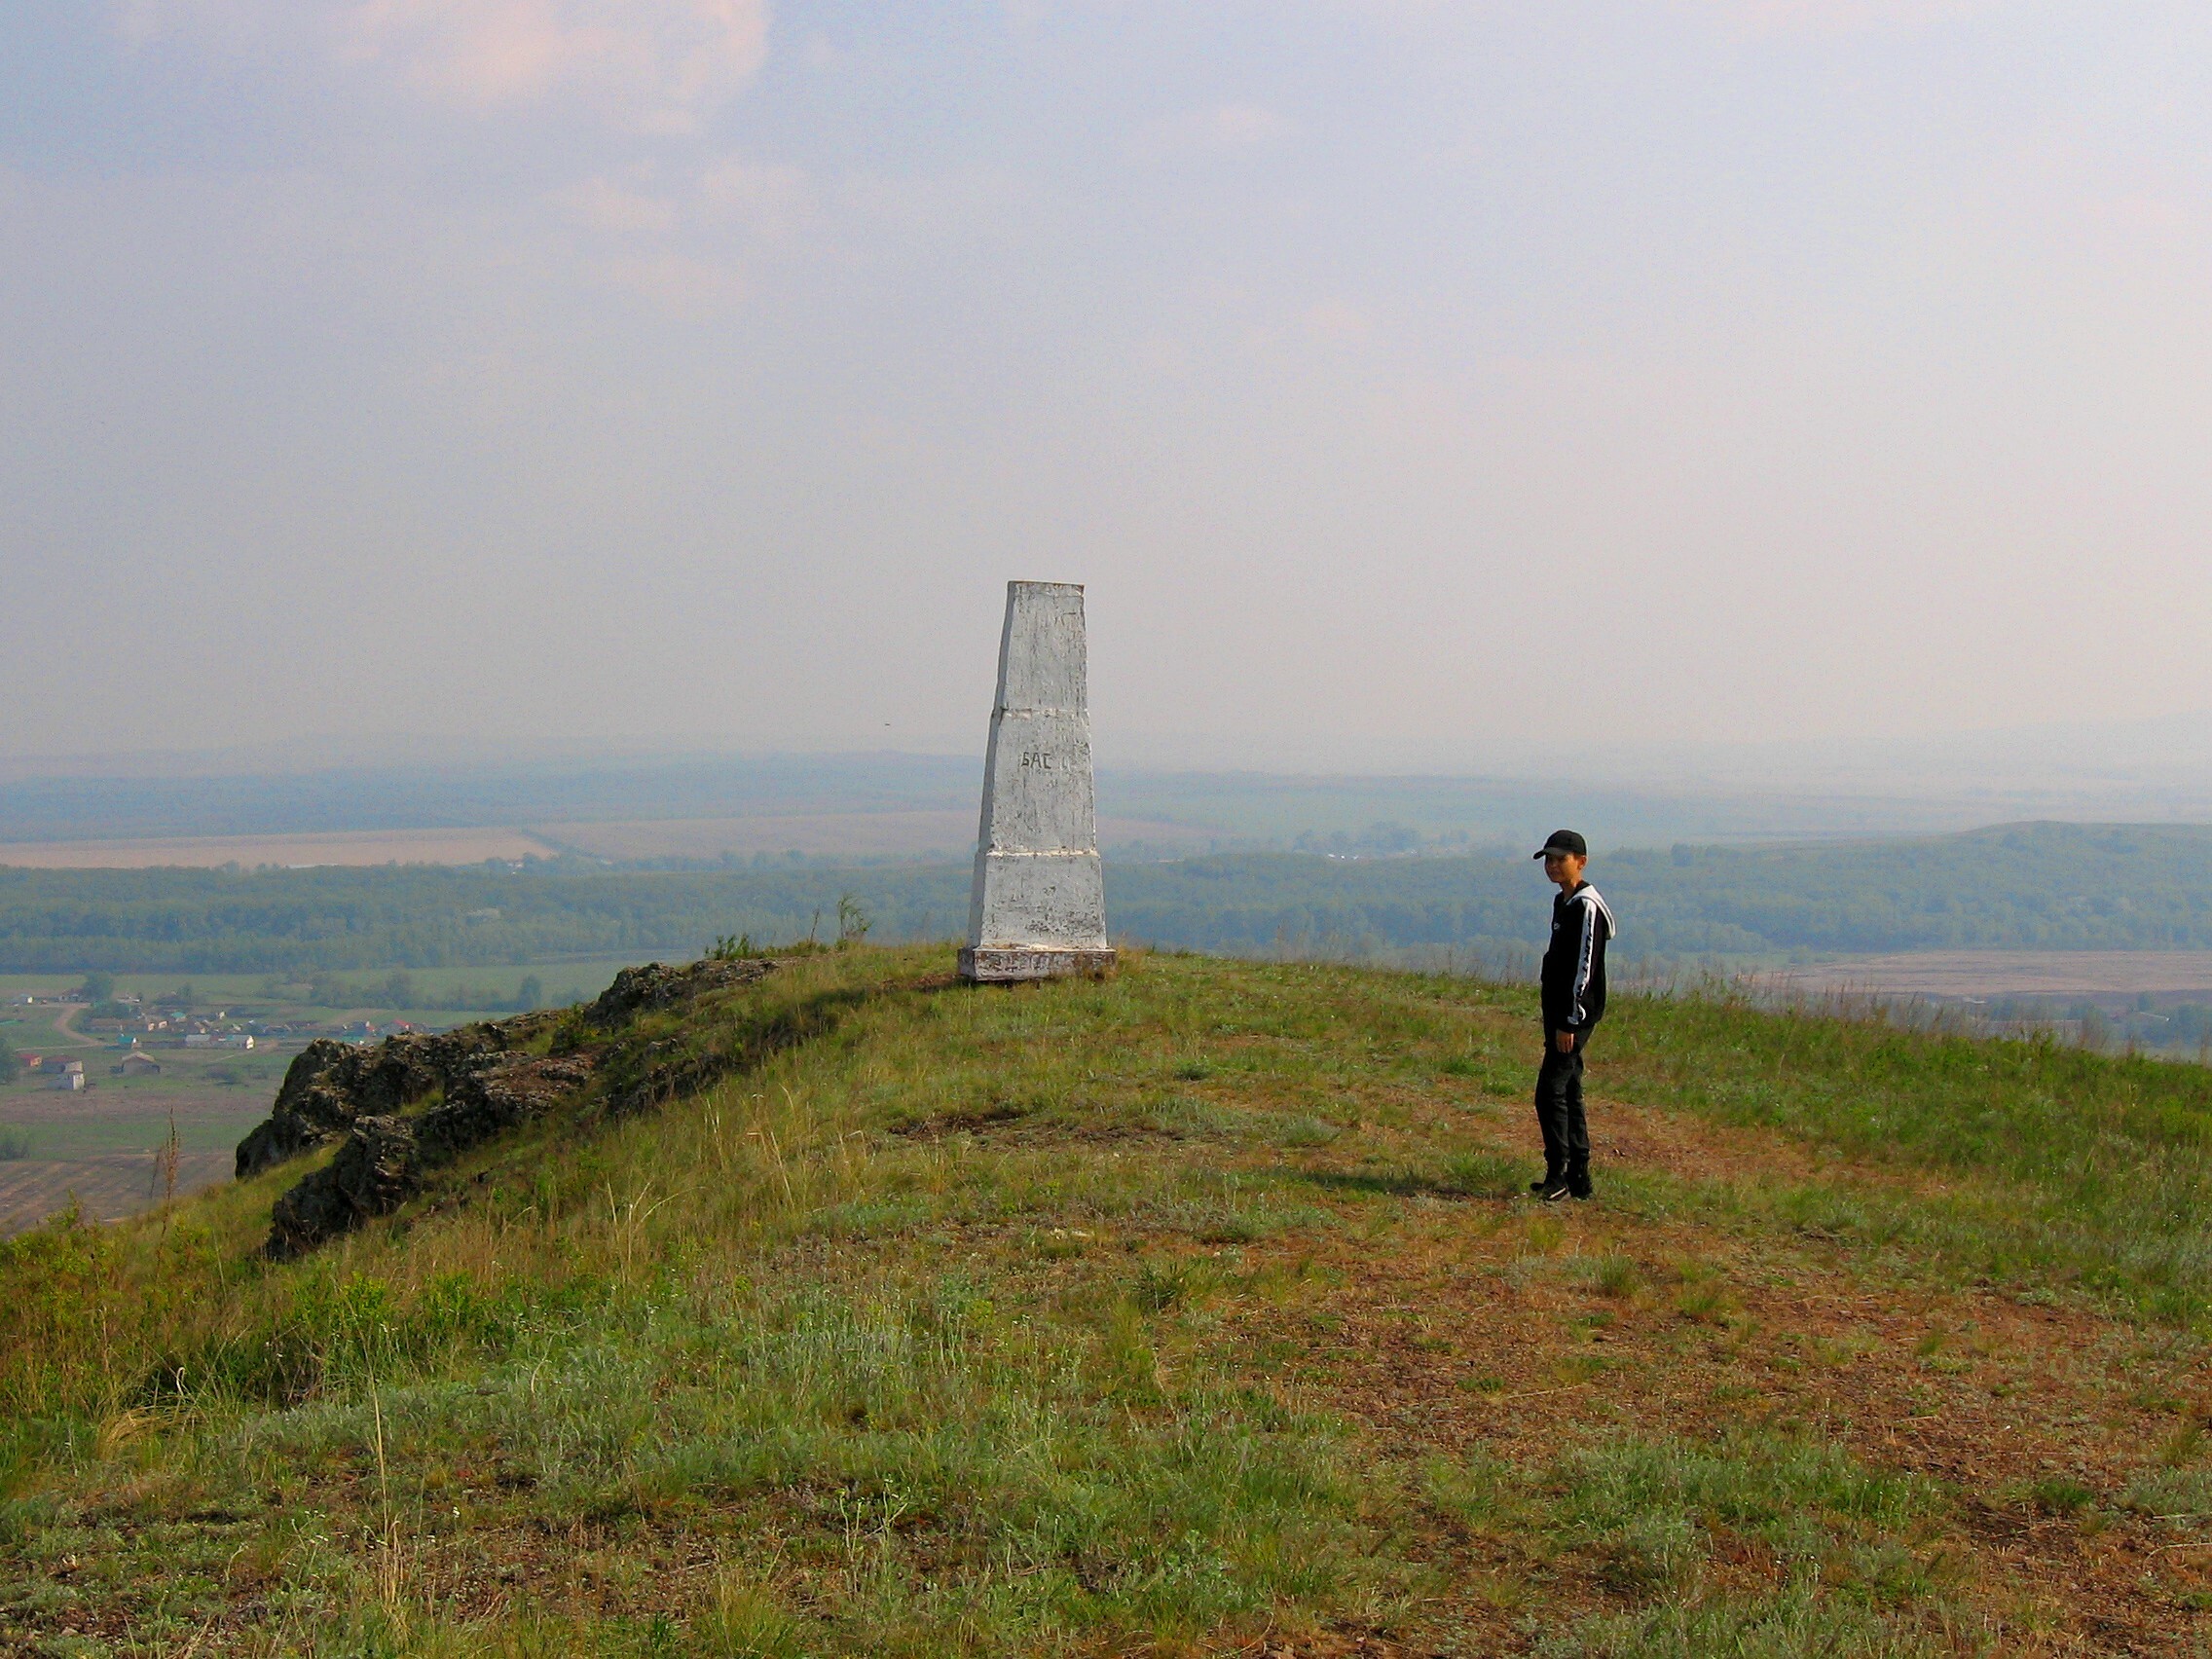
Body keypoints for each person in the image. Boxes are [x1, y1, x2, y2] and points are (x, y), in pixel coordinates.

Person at [1530, 830, 1615, 1202]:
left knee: (1550, 1093)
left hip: (1573, 1018)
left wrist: (1570, 1020)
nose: (1552, 866)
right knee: (1569, 1089)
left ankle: (1559, 1175)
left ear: (1581, 861)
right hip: (1560, 1013)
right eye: (1548, 860)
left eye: (1559, 859)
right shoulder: (1563, 902)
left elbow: (1585, 968)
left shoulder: (1586, 907)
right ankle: (1579, 1178)